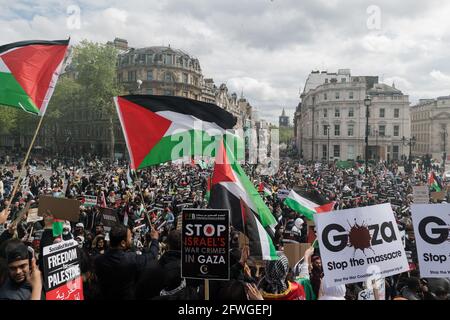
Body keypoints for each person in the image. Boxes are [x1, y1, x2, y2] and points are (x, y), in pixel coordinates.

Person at [94, 224, 159, 300]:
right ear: (123, 243)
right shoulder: (131, 259)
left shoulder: (98, 260)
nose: (131, 239)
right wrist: (155, 239)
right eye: (130, 237)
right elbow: (152, 256)